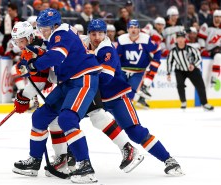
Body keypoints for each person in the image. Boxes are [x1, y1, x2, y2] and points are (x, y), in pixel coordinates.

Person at [12, 8, 102, 184]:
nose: (42, 32)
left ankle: (86, 166)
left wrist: (33, 65)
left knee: (67, 119)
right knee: (40, 116)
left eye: (45, 29)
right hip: (68, 82)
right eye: (40, 28)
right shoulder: (55, 36)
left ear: (55, 26)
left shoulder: (62, 33)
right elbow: (54, 61)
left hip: (84, 79)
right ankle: (34, 161)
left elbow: (56, 55)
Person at [86, 19, 184, 176]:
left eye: (100, 33)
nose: (96, 37)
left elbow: (104, 78)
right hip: (94, 97)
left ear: (105, 34)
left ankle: (168, 159)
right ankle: (68, 158)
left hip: (115, 96)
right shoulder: (85, 43)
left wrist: (87, 60)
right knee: (69, 118)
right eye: (93, 33)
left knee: (135, 132)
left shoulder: (107, 50)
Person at [117, 19, 161, 109]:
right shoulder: (122, 39)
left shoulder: (145, 39)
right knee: (119, 90)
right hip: (123, 70)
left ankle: (126, 110)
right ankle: (119, 110)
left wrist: (155, 61)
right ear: (128, 29)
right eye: (131, 27)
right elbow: (117, 55)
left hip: (138, 71)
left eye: (136, 27)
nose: (133, 29)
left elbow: (157, 49)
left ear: (139, 29)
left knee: (131, 90)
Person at [166, 31, 214, 111]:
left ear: (185, 39)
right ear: (176, 39)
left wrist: (193, 65)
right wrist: (168, 73)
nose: (180, 40)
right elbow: (169, 62)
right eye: (179, 38)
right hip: (180, 70)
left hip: (193, 70)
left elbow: (199, 58)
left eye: (182, 38)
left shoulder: (191, 49)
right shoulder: (173, 51)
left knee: (200, 86)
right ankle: (183, 102)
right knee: (180, 85)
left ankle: (205, 103)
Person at [198, 10, 221, 88]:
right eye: (216, 17)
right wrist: (203, 49)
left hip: (218, 48)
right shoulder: (206, 25)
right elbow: (201, 38)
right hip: (209, 49)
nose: (218, 19)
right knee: (218, 56)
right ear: (213, 17)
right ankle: (213, 79)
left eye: (220, 17)